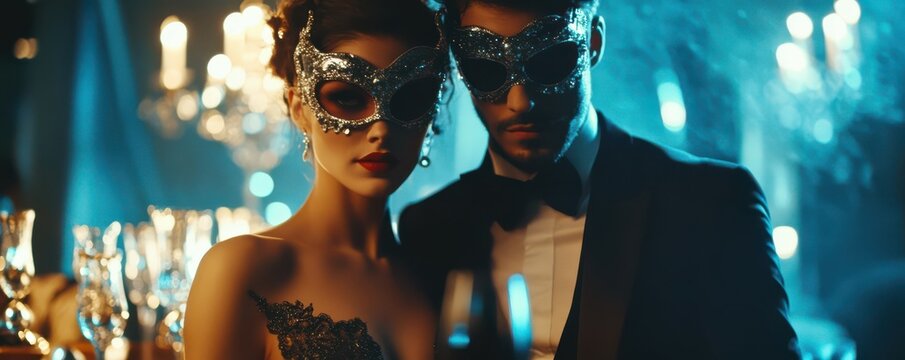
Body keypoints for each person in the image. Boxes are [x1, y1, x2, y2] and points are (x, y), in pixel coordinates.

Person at [397, 0, 801, 359]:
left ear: (592, 42)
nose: (521, 101)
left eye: (549, 60)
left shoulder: (712, 205)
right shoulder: (428, 229)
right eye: (486, 68)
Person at [184, 0, 448, 358]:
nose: (381, 129)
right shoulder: (242, 269)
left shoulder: (437, 276)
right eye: (348, 98)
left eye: (409, 99)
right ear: (299, 110)